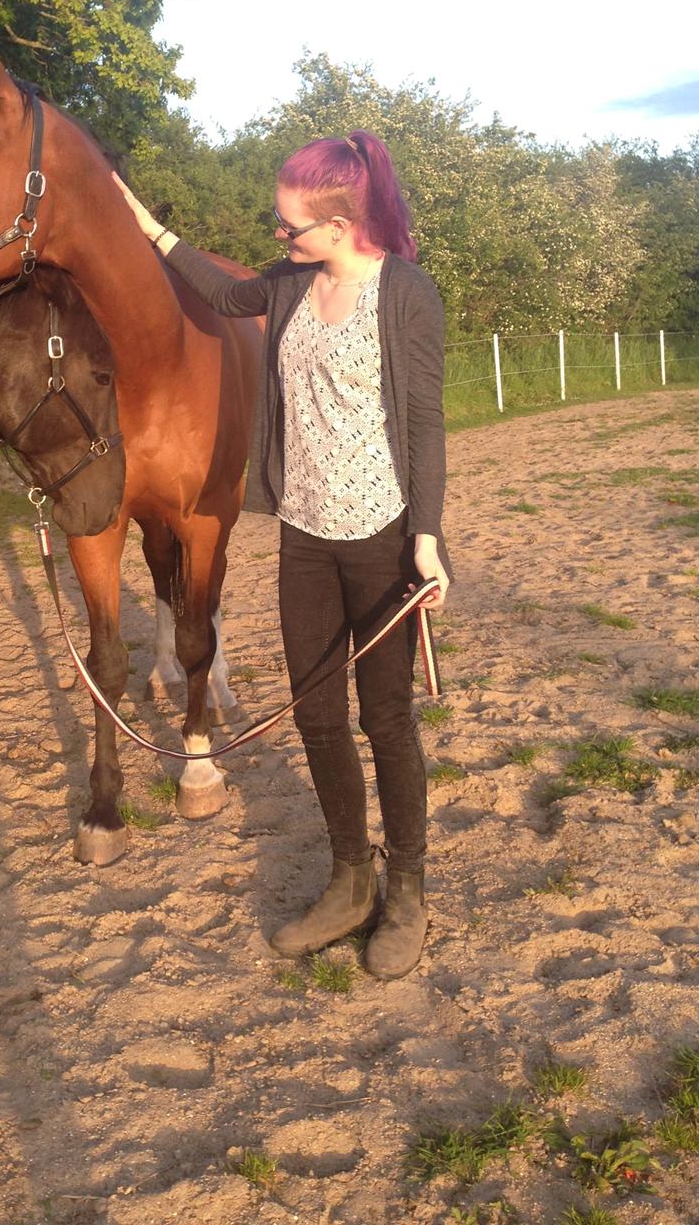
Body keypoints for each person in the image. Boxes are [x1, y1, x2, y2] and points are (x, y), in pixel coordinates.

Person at [114, 131, 450, 979]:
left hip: (381, 537)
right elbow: (225, 294)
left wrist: (427, 540)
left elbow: (426, 424)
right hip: (304, 531)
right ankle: (348, 882)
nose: (280, 238)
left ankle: (406, 892)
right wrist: (149, 230)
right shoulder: (292, 288)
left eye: (289, 227)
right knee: (315, 714)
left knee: (388, 720)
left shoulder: (406, 293)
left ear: (340, 224)